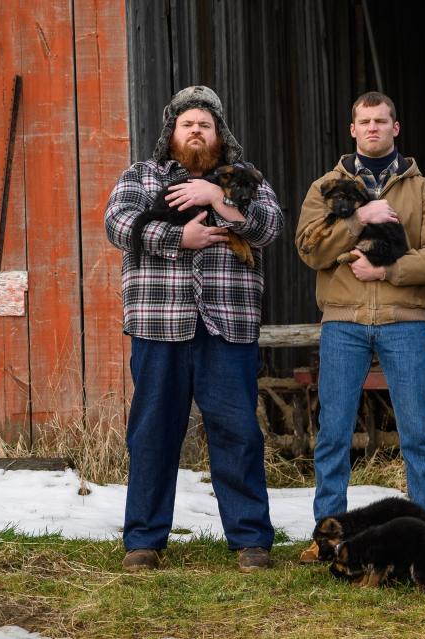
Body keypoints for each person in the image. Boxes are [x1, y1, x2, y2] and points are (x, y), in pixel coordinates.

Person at [105, 86, 283, 573]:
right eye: (188, 124)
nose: (197, 131)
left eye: (205, 124)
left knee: (238, 431)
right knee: (152, 433)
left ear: (219, 135)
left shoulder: (248, 179)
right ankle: (143, 540)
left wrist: (219, 197)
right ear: (173, 133)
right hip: (160, 324)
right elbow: (118, 224)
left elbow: (268, 227)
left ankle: (250, 541)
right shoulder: (141, 177)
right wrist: (177, 236)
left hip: (228, 326)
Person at [295, 92, 425, 560]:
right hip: (342, 321)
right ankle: (327, 537)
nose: (372, 128)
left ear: (395, 127)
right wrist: (357, 219)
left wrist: (387, 271)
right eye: (364, 121)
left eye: (381, 120)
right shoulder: (325, 187)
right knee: (333, 432)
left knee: (418, 432)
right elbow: (309, 249)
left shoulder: (423, 190)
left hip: (402, 321)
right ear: (352, 129)